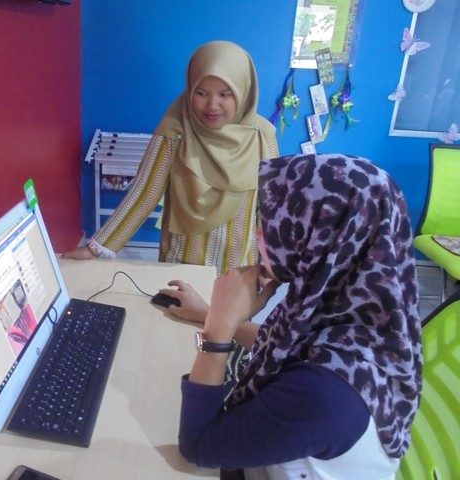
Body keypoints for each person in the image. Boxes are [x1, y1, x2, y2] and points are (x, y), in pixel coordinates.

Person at [174, 153, 422, 480]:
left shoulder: (324, 394)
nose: (259, 233)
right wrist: (210, 314)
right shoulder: (363, 311)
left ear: (323, 237)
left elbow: (198, 446)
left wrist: (217, 332)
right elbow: (289, 346)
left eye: (277, 221)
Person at [63, 40, 278, 276]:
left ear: (244, 90)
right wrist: (96, 248)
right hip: (183, 267)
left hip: (239, 271)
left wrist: (270, 266)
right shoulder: (174, 133)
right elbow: (144, 193)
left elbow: (269, 208)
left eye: (225, 94)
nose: (212, 105)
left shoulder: (262, 136)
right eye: (201, 92)